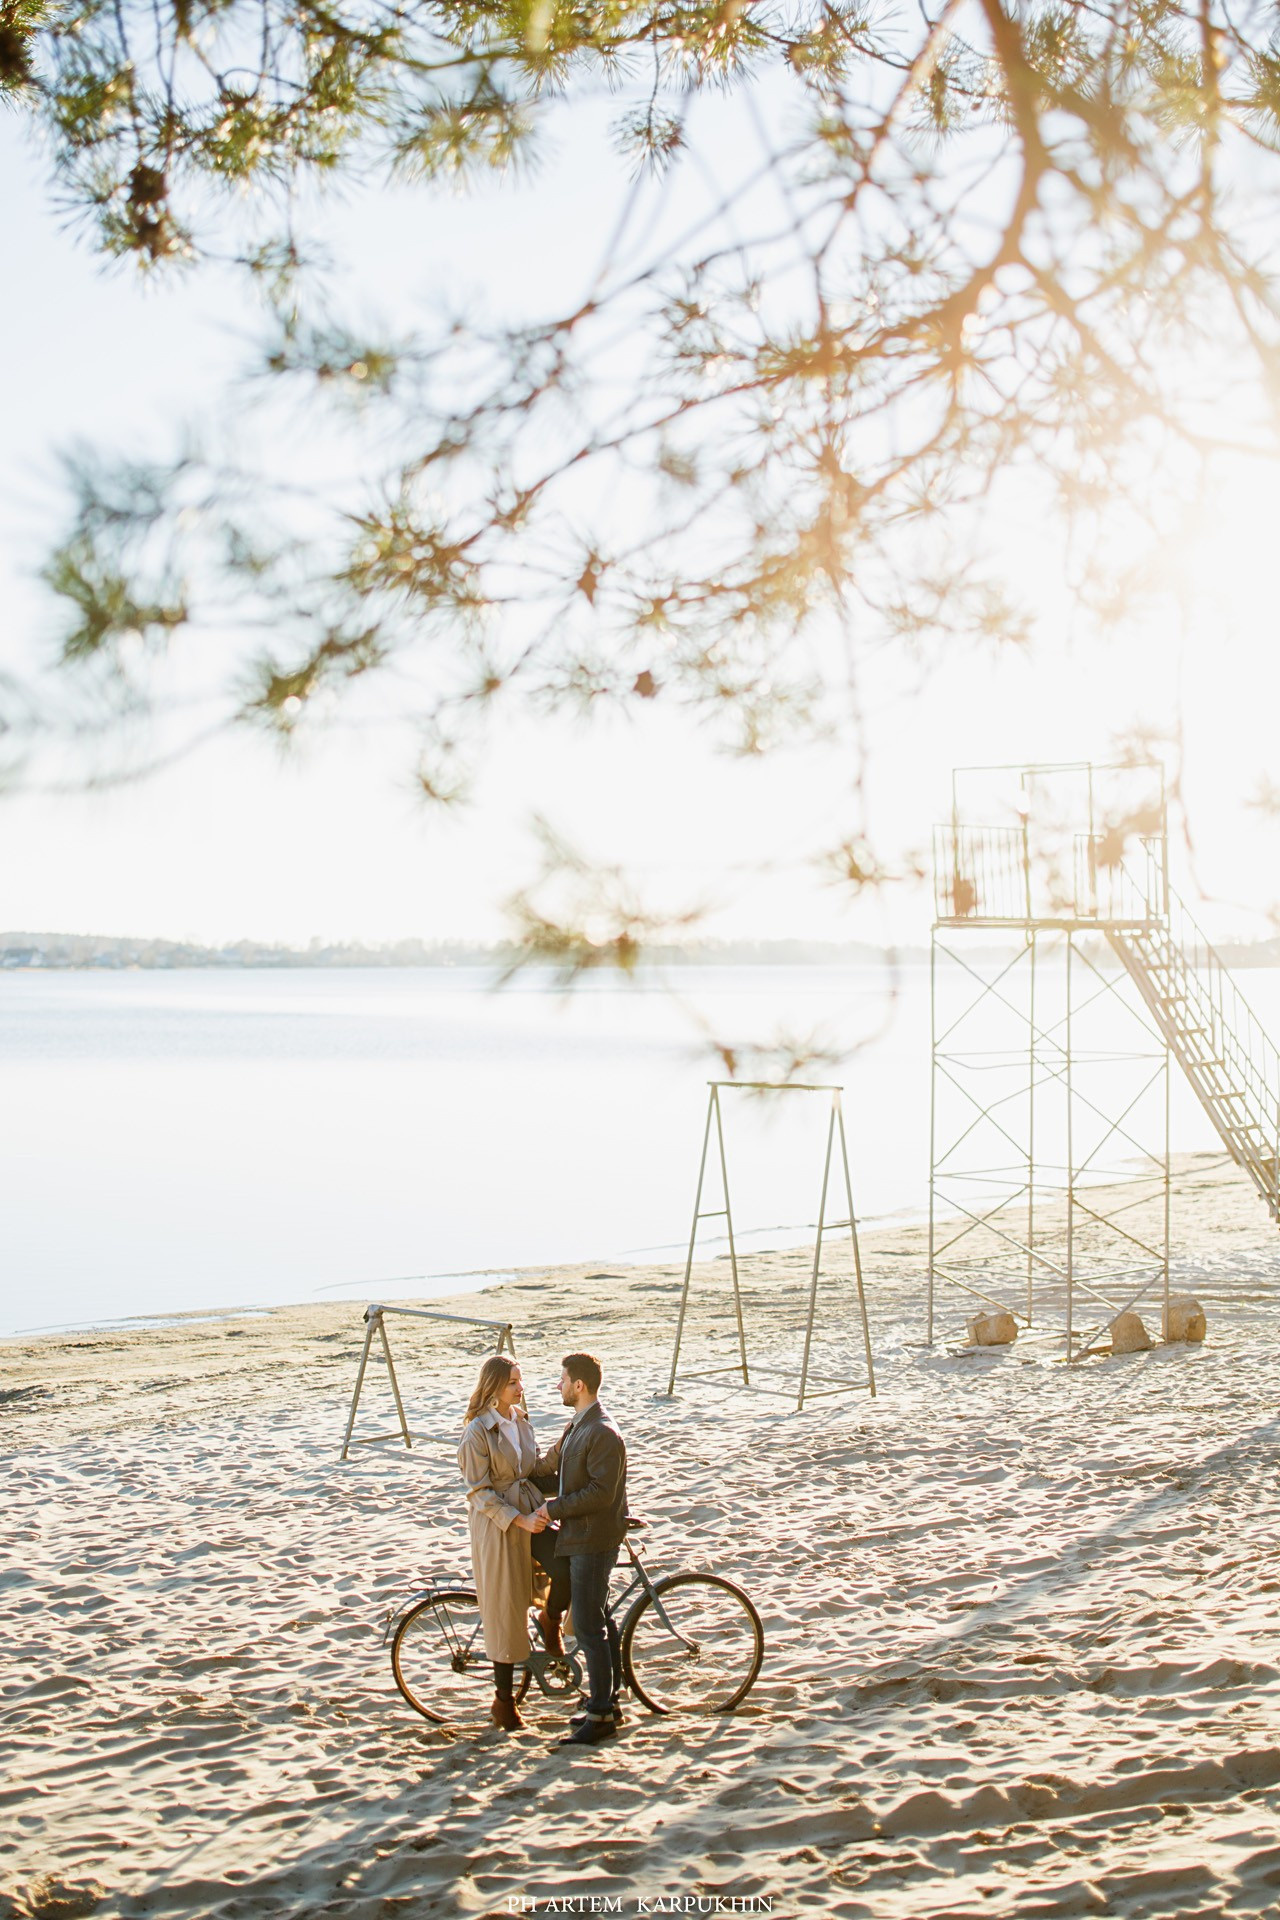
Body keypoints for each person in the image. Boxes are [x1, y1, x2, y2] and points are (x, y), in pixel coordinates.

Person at [532, 1351, 628, 1748]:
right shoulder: (577, 1427)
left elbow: (600, 1494)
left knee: (589, 1627)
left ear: (579, 1385)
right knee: (599, 1620)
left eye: (562, 1379)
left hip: (594, 1539)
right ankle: (609, 1701)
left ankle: (602, 1716)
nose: (558, 1385)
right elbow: (552, 1473)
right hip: (581, 1536)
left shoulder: (602, 1432)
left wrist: (552, 1508)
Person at [456, 1353, 551, 1731]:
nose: (520, 1387)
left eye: (520, 1381)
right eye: (513, 1382)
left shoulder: (520, 1421)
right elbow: (478, 1492)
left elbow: (534, 1468)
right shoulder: (477, 1431)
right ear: (494, 1386)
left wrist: (567, 1446)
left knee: (563, 1569)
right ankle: (503, 1701)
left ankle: (550, 1621)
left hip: (530, 1516)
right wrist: (519, 1520)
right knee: (505, 1609)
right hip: (498, 1528)